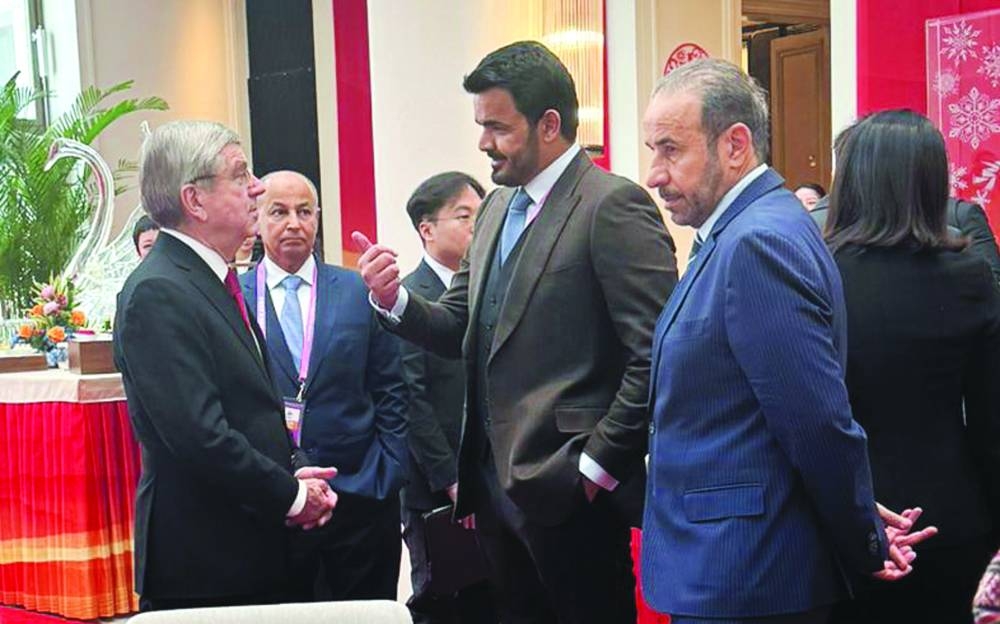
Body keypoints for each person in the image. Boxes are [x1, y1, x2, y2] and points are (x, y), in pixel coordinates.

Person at [356, 41, 677, 624]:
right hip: (494, 496)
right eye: (481, 127)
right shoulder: (498, 207)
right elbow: (460, 325)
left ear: (548, 124)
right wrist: (393, 299)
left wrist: (595, 469)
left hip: (573, 495)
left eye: (497, 128)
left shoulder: (611, 205)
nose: (483, 143)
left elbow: (655, 355)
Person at [640, 59, 934, 624]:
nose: (654, 173)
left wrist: (860, 536)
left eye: (670, 149)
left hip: (745, 578)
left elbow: (816, 421)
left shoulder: (757, 242)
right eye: (652, 150)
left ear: (734, 145)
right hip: (734, 565)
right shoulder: (742, 232)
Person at [113, 121, 337, 611]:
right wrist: (291, 497)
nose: (256, 186)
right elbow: (200, 436)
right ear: (194, 200)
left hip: (249, 552)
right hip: (207, 566)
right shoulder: (159, 292)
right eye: (240, 175)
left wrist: (293, 471)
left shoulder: (208, 279)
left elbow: (251, 407)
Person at [823, 110, 1000, 624]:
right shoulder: (968, 273)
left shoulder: (817, 269)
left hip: (845, 517)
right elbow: (992, 419)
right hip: (953, 514)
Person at [240, 170, 408, 602]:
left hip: (363, 498)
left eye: (304, 211)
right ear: (256, 220)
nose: (294, 223)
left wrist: (388, 470)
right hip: (279, 500)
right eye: (278, 212)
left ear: (318, 218)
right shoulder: (234, 298)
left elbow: (392, 385)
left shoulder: (357, 290)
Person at [398, 171, 496, 624]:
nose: (478, 227)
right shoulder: (411, 298)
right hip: (439, 491)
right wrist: (452, 479)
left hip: (489, 482)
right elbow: (411, 399)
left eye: (482, 215)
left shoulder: (485, 291)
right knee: (446, 603)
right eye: (465, 216)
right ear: (427, 229)